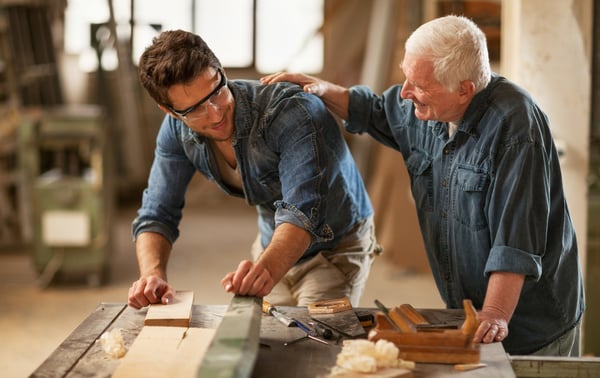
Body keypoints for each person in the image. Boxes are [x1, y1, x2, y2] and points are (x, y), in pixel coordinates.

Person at [261, 15, 585, 356]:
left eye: (418, 84)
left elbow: (515, 243)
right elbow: (377, 112)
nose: (405, 91)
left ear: (464, 89)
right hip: (471, 311)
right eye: (405, 77)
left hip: (531, 323)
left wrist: (494, 313)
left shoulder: (516, 128)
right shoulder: (427, 105)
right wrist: (323, 90)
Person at [127, 30, 377, 310]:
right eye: (195, 109)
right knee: (268, 338)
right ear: (170, 111)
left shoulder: (291, 111)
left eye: (216, 91)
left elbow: (301, 212)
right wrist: (152, 275)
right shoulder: (176, 130)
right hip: (275, 238)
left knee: (313, 337)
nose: (215, 113)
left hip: (334, 245)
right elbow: (156, 212)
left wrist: (265, 270)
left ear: (221, 71)